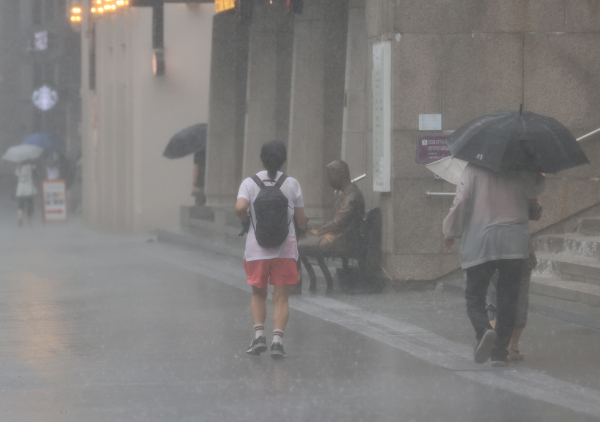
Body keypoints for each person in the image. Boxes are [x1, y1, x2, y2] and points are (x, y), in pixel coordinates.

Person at [443, 163, 544, 366]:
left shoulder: (473, 169)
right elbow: (534, 202)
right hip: (514, 241)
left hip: (482, 239)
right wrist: (536, 175)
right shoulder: (521, 168)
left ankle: (484, 330)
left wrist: (450, 230)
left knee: (474, 294)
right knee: (509, 297)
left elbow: (461, 200)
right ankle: (499, 352)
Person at [235, 140, 307, 359]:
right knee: (281, 298)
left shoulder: (250, 183)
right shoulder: (292, 184)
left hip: (257, 250)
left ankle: (259, 337)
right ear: (283, 159)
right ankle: (277, 341)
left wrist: (245, 221)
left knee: (258, 293)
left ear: (262, 159)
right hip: (285, 250)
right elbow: (301, 220)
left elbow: (239, 207)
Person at [294, 160, 365, 294]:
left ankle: (295, 285)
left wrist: (318, 230)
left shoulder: (352, 195)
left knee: (294, 246)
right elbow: (336, 221)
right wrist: (315, 227)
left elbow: (339, 222)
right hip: (339, 236)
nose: (328, 181)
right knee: (297, 241)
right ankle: (298, 283)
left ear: (340, 174)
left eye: (330, 176)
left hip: (342, 239)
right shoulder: (346, 193)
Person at [486, 197, 542, 361]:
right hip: (520, 250)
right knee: (519, 299)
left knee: (493, 298)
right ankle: (512, 347)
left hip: (493, 248)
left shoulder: (488, 185)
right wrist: (537, 194)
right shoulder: (524, 185)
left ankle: (497, 344)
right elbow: (536, 213)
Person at [15, 161, 38, 226]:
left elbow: (16, 175)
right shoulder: (31, 167)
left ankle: (20, 218)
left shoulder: (18, 168)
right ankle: (29, 221)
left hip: (20, 189)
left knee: (20, 206)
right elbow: (35, 173)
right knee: (30, 205)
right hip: (29, 189)